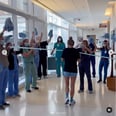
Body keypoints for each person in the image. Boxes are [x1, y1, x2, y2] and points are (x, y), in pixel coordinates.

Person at [62, 37, 80, 105]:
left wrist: (66, 60)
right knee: (72, 85)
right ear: (73, 44)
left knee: (66, 85)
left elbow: (62, 59)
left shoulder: (65, 50)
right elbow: (79, 60)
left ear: (67, 43)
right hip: (74, 70)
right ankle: (71, 100)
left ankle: (67, 98)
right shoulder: (76, 51)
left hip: (66, 69)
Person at [0, 30, 10, 110]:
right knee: (0, 86)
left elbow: (5, 54)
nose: (3, 39)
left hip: (5, 67)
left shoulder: (2, 47)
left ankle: (3, 101)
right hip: (1, 68)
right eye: (2, 38)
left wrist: (7, 48)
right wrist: (3, 30)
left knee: (4, 86)